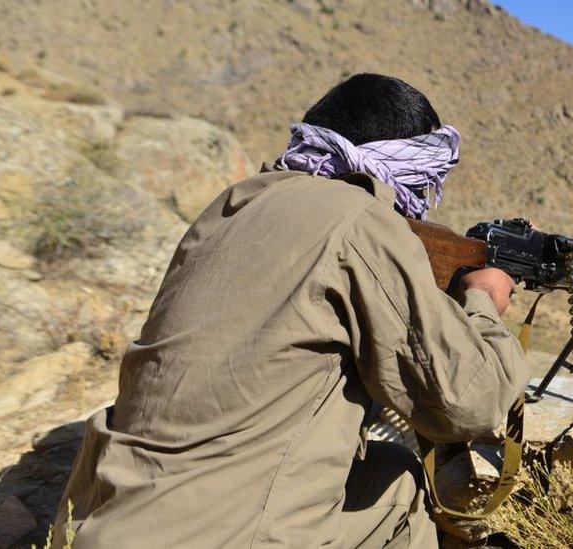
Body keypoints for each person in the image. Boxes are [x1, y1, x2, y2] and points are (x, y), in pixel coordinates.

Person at [52, 73, 528, 548]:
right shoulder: (360, 221)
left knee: (379, 467)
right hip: (221, 537)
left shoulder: (235, 201)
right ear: (401, 166)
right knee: (403, 489)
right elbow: (470, 403)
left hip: (97, 517)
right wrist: (483, 301)